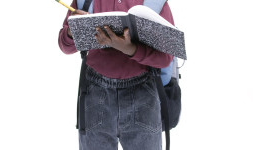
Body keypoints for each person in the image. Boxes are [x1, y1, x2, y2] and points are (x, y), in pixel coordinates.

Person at [58, 0, 175, 149]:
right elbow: (65, 46)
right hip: (95, 93)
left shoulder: (154, 2)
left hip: (142, 94)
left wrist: (132, 49)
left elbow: (166, 57)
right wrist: (72, 31)